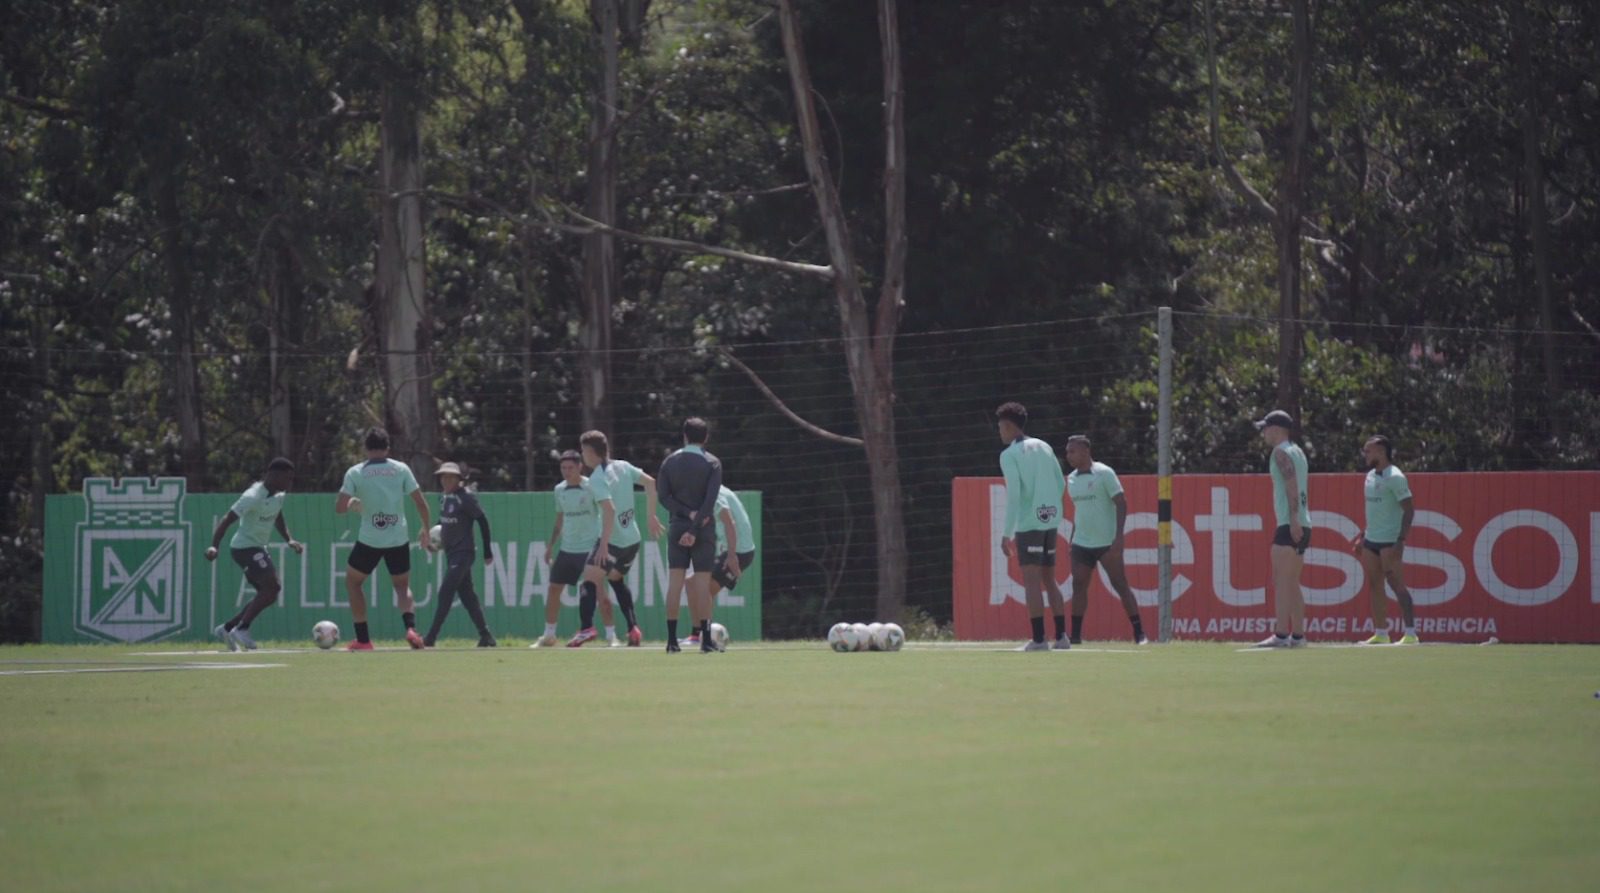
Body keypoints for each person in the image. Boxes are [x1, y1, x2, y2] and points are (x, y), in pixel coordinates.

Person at [335, 427, 432, 651]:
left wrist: (352, 504)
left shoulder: (355, 472)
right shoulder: (401, 469)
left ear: (366, 448)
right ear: (388, 447)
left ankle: (363, 640)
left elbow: (339, 507)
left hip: (369, 540)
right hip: (398, 538)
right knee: (402, 586)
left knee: (353, 582)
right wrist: (425, 529)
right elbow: (420, 502)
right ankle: (410, 629)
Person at [207, 457, 303, 651]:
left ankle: (227, 628)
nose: (289, 483)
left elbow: (277, 515)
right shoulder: (252, 496)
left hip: (257, 547)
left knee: (268, 593)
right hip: (244, 548)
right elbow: (227, 520)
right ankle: (242, 628)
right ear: (274, 475)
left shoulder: (279, 495)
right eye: (287, 478)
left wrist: (289, 539)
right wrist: (214, 546)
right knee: (273, 586)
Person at [580, 430, 664, 647]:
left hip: (612, 541)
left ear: (591, 453)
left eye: (583, 451)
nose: (582, 456)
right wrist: (651, 516)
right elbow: (651, 483)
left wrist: (604, 545)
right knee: (615, 579)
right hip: (632, 541)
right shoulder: (624, 466)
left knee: (589, 581)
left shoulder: (597, 478)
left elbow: (609, 511)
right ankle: (633, 629)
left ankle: (586, 628)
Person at [995, 402, 1067, 652]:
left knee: (1032, 582)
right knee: (1050, 578)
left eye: (1001, 427)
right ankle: (1062, 637)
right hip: (1050, 520)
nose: (1000, 432)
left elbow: (1014, 495)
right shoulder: (1044, 446)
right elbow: (1060, 483)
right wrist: (1048, 508)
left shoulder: (1009, 455)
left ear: (1008, 426)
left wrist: (1006, 533)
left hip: (1029, 524)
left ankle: (1038, 640)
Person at [1063, 436, 1148, 645]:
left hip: (1107, 543)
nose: (1068, 456)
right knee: (1078, 585)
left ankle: (1139, 633)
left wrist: (1118, 537)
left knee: (1120, 585)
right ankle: (1075, 636)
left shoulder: (1104, 473)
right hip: (1081, 543)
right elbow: (1080, 511)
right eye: (1067, 452)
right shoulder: (1071, 479)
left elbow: (1121, 503)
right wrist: (1073, 537)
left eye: (1072, 451)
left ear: (1085, 451)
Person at [532, 450, 618, 648]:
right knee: (554, 589)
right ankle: (549, 635)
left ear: (580, 467)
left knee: (600, 593)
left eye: (571, 467)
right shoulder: (559, 490)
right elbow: (560, 519)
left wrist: (603, 543)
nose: (567, 471)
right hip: (567, 549)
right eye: (563, 468)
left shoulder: (592, 487)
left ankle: (611, 636)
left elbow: (606, 511)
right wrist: (550, 546)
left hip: (590, 549)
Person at [657, 417, 723, 653]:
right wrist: (695, 526)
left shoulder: (669, 462)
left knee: (674, 585)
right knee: (703, 586)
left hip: (677, 528)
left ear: (684, 435)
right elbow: (710, 500)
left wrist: (685, 515)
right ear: (705, 437)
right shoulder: (712, 463)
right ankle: (705, 641)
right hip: (703, 530)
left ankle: (672, 641)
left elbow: (663, 497)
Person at [421, 462, 497, 648]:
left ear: (459, 479)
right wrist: (433, 543)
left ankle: (430, 638)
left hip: (464, 553)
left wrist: (487, 551)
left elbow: (482, 521)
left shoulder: (466, 498)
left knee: (446, 591)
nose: (445, 481)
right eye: (443, 477)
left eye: (450, 477)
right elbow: (443, 525)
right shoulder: (444, 498)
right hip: (451, 554)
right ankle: (486, 636)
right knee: (467, 596)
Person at [1353, 435, 1419, 645]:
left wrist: (1401, 540)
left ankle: (1410, 633)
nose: (1365, 455)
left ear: (1381, 452)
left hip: (1390, 541)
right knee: (1375, 584)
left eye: (1369, 451)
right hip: (1371, 540)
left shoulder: (1396, 477)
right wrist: (1363, 536)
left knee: (1396, 584)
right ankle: (1381, 633)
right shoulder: (1370, 476)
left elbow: (1409, 510)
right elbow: (1374, 512)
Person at [1254, 410, 1311, 648]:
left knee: (1282, 581)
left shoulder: (1280, 452)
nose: (1264, 433)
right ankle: (1298, 636)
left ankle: (1280, 634)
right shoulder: (1298, 451)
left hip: (1291, 523)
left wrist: (1294, 519)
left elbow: (1291, 483)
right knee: (1292, 581)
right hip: (1303, 522)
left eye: (1266, 428)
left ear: (1276, 429)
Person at [679, 485, 754, 648]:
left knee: (697, 587)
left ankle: (703, 636)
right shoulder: (711, 489)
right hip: (731, 550)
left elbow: (729, 522)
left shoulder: (713, 493)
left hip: (738, 551)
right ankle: (700, 635)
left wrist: (732, 556)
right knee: (693, 585)